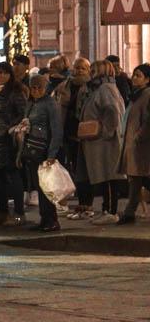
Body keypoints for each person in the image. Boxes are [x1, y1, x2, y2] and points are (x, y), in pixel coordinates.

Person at [78, 59, 124, 224]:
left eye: (94, 70)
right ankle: (106, 210)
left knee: (109, 176)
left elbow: (112, 111)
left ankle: (110, 211)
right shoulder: (99, 88)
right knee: (105, 177)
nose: (91, 73)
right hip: (101, 142)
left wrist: (106, 131)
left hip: (105, 142)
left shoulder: (105, 88)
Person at [0, 62, 27, 225]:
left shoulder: (15, 93)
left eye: (5, 73)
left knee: (12, 175)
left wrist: (9, 128)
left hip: (7, 141)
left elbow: (22, 114)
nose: (2, 76)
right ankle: (2, 212)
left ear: (10, 75)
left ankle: (19, 212)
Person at [22, 73, 63, 231]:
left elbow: (56, 129)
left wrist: (52, 154)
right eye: (33, 87)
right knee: (40, 186)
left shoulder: (50, 104)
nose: (36, 90)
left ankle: (52, 220)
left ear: (45, 88)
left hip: (43, 149)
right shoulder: (32, 103)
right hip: (33, 148)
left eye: (40, 87)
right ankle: (45, 218)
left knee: (47, 187)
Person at [55, 56, 94, 215]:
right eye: (76, 68)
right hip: (68, 132)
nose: (78, 71)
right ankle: (79, 202)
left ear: (88, 71)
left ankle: (87, 203)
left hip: (84, 134)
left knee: (85, 170)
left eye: (82, 68)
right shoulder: (65, 86)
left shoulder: (90, 87)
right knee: (72, 168)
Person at [117, 63, 150, 225]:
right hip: (133, 144)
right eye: (134, 75)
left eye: (139, 76)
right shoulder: (136, 95)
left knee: (141, 177)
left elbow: (147, 121)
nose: (134, 78)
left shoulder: (147, 94)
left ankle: (130, 212)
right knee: (135, 179)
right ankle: (129, 212)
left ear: (147, 79)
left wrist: (138, 137)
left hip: (142, 146)